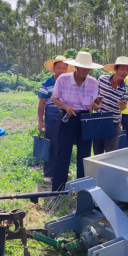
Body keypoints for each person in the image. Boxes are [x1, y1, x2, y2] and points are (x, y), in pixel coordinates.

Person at [50, 52, 102, 192]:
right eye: (83, 67)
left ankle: (82, 190)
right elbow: (53, 98)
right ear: (76, 67)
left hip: (85, 118)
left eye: (88, 67)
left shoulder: (93, 82)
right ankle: (58, 190)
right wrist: (66, 106)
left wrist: (95, 106)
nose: (87, 70)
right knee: (63, 152)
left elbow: (94, 103)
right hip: (68, 117)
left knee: (84, 154)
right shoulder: (63, 79)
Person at [38, 55, 73, 183]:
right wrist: (40, 122)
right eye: (59, 67)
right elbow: (42, 103)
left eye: (64, 68)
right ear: (53, 68)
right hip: (52, 116)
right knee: (50, 144)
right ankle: (48, 173)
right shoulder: (46, 84)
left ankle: (62, 170)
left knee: (64, 145)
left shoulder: (71, 83)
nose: (61, 70)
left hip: (66, 116)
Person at [93, 56, 128, 154]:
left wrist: (122, 106)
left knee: (110, 153)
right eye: (122, 69)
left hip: (113, 123)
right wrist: (94, 105)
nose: (125, 72)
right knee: (97, 152)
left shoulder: (126, 90)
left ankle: (108, 170)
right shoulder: (102, 80)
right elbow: (96, 96)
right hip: (98, 119)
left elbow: (122, 108)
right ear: (116, 69)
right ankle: (97, 170)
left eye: (127, 70)